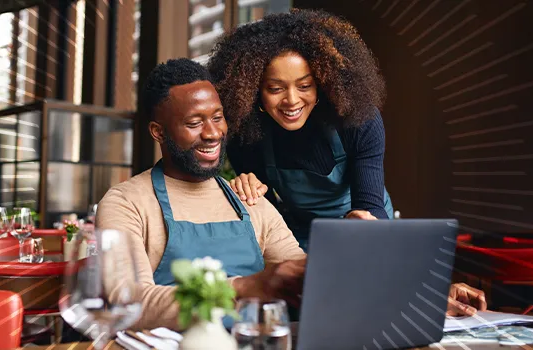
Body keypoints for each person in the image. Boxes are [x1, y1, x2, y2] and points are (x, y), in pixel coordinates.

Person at [96, 58, 486, 331]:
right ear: (158, 132)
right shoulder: (126, 202)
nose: (213, 133)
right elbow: (127, 301)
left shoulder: (249, 200)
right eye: (194, 123)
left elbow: (320, 280)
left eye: (217, 118)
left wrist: (418, 294)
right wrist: (250, 287)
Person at [207, 9, 394, 249]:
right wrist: (249, 193)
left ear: (323, 83)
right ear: (253, 91)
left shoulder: (357, 120)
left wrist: (363, 222)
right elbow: (269, 219)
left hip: (364, 228)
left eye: (305, 85)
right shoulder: (245, 135)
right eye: (275, 89)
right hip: (301, 235)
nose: (292, 100)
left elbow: (371, 205)